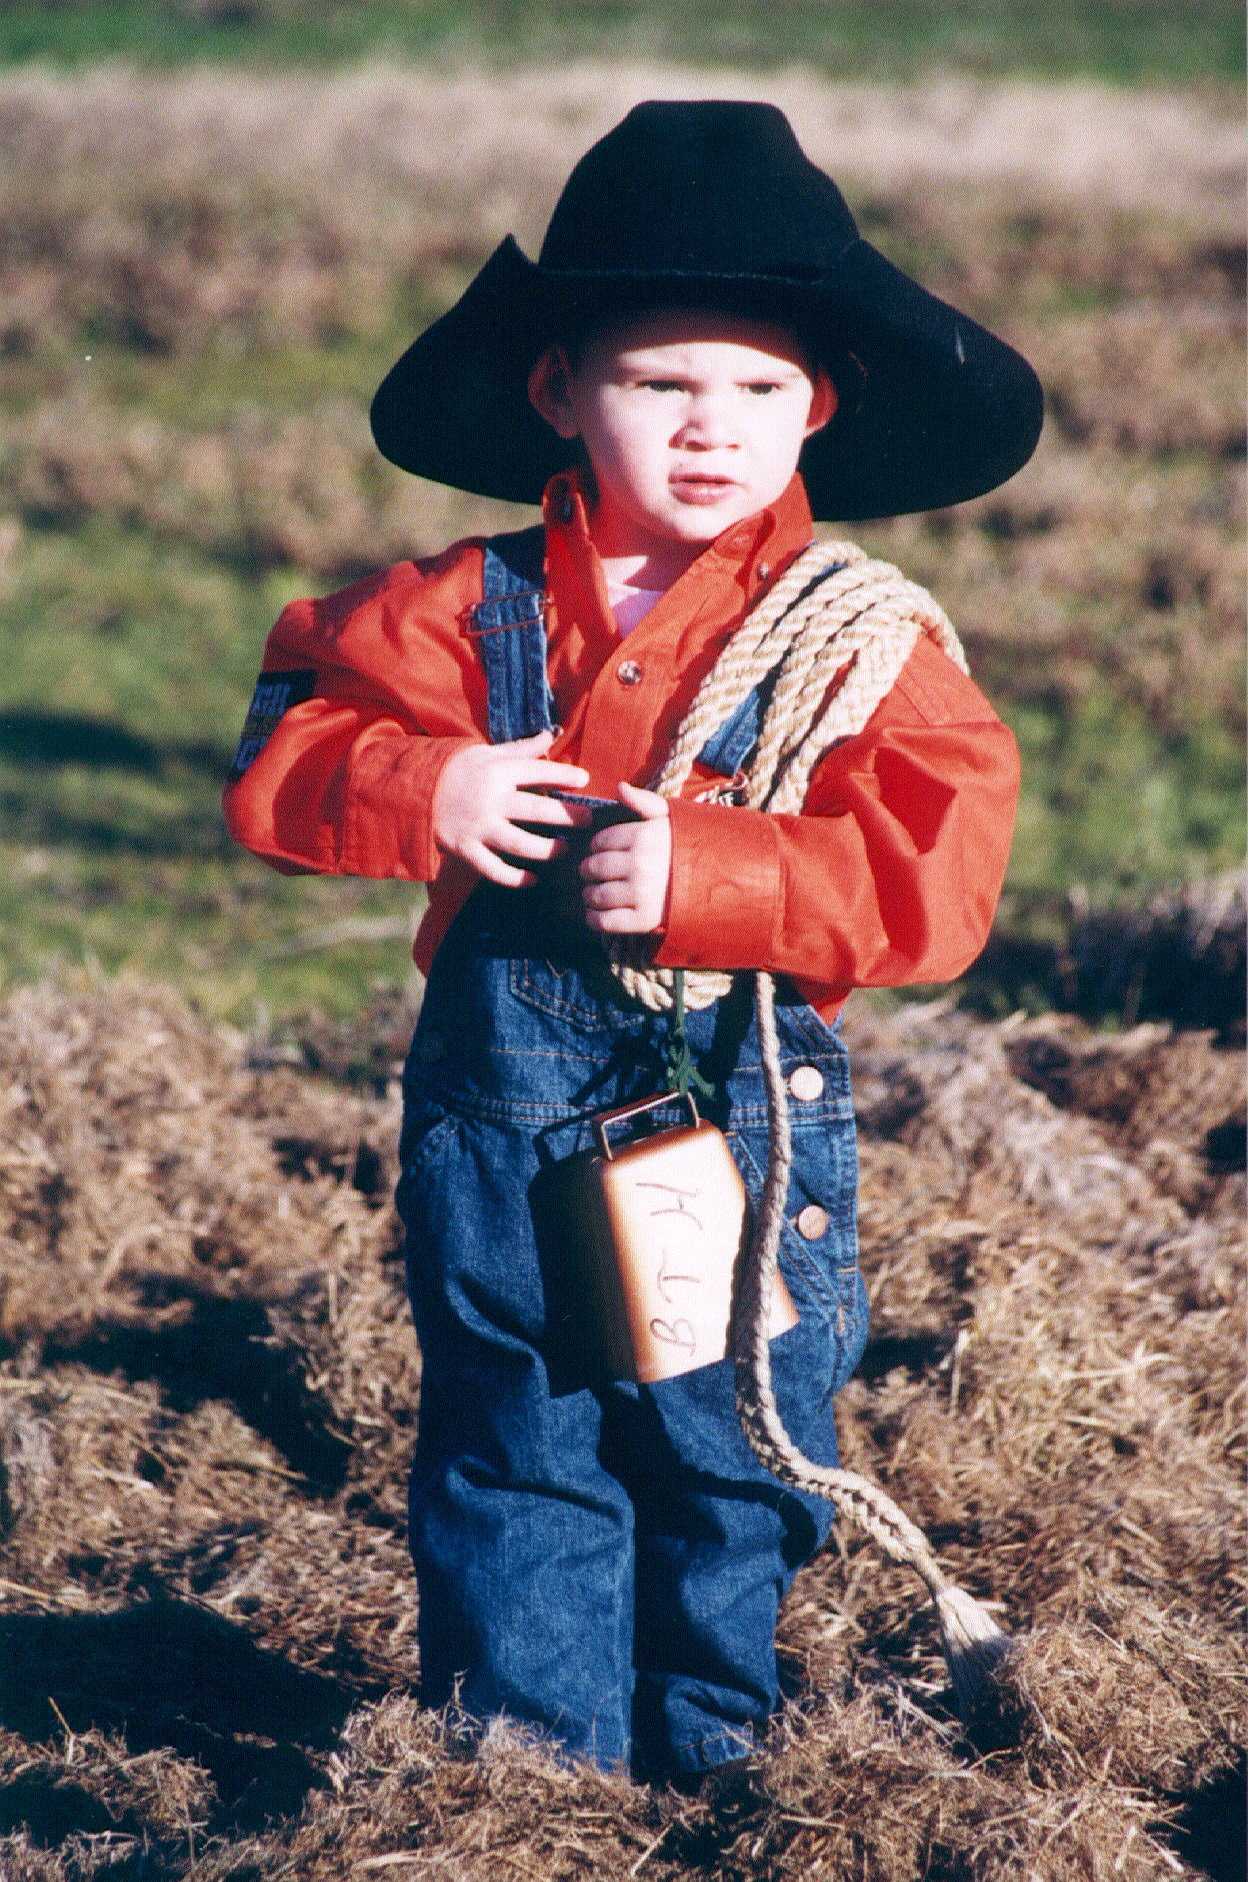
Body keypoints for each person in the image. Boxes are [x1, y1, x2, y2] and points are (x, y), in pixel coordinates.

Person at [223, 100, 1042, 1789]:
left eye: (756, 390)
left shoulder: (855, 639)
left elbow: (940, 881)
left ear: (818, 405)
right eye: (660, 383)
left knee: (731, 1440)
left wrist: (721, 872)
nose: (708, 430)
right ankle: (532, 1784)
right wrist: (415, 779)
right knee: (515, 1440)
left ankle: (724, 1763)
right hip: (497, 1114)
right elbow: (280, 743)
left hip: (732, 1104)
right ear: (559, 391)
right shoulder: (462, 605)